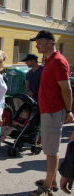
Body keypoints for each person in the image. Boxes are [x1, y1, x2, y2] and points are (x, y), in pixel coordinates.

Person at [30, 30, 73, 196]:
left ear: (50, 43)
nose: (36, 44)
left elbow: (66, 89)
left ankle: (47, 186)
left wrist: (69, 111)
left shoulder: (58, 62)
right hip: (48, 111)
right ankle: (52, 180)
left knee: (51, 151)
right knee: (49, 147)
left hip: (54, 111)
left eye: (39, 41)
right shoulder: (49, 60)